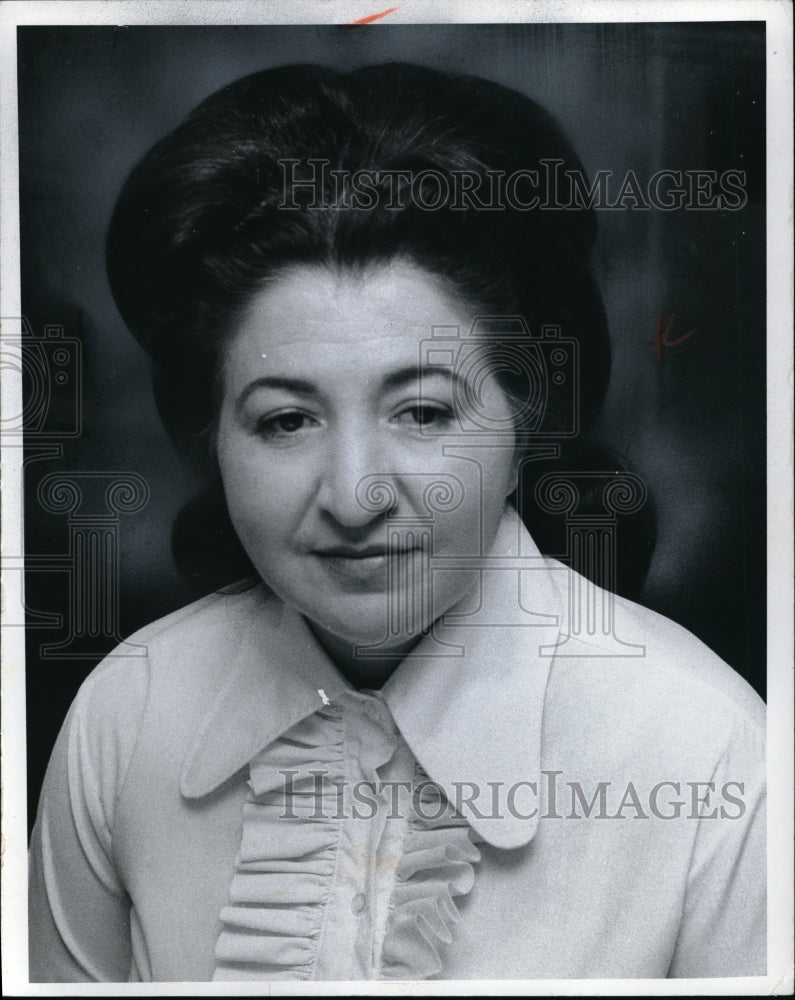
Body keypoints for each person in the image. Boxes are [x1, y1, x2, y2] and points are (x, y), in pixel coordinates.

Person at [28, 62, 765, 983]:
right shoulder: (126, 715)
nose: (353, 494)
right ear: (209, 436)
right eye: (285, 420)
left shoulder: (705, 747)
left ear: (524, 416)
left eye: (422, 412)